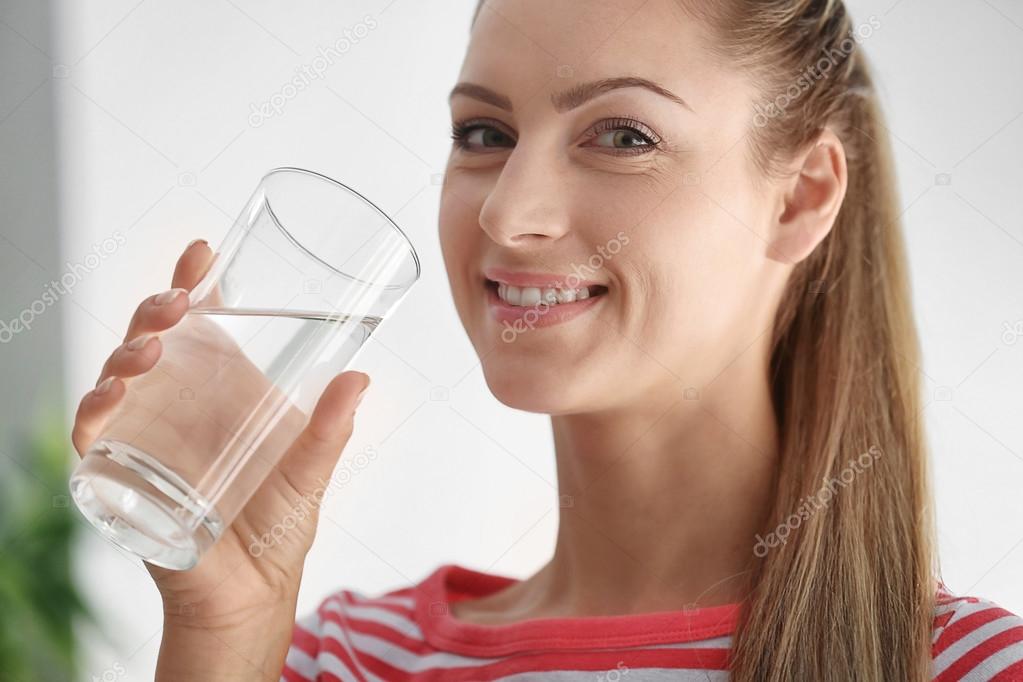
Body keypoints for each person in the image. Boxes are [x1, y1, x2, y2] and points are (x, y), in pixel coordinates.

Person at [72, 0, 1023, 680]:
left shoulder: (965, 669)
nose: (511, 213)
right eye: (484, 132)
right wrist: (224, 636)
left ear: (803, 195)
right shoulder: (344, 662)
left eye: (622, 136)